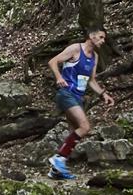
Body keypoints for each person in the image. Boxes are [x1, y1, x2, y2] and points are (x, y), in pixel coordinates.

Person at [46, 28, 113, 179]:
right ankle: (59, 159)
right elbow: (52, 61)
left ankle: (56, 171)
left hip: (78, 97)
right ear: (91, 36)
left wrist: (104, 94)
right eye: (101, 37)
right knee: (85, 127)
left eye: (104, 38)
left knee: (74, 131)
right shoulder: (76, 49)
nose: (103, 41)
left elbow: (91, 81)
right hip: (66, 93)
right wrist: (59, 77)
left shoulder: (95, 57)